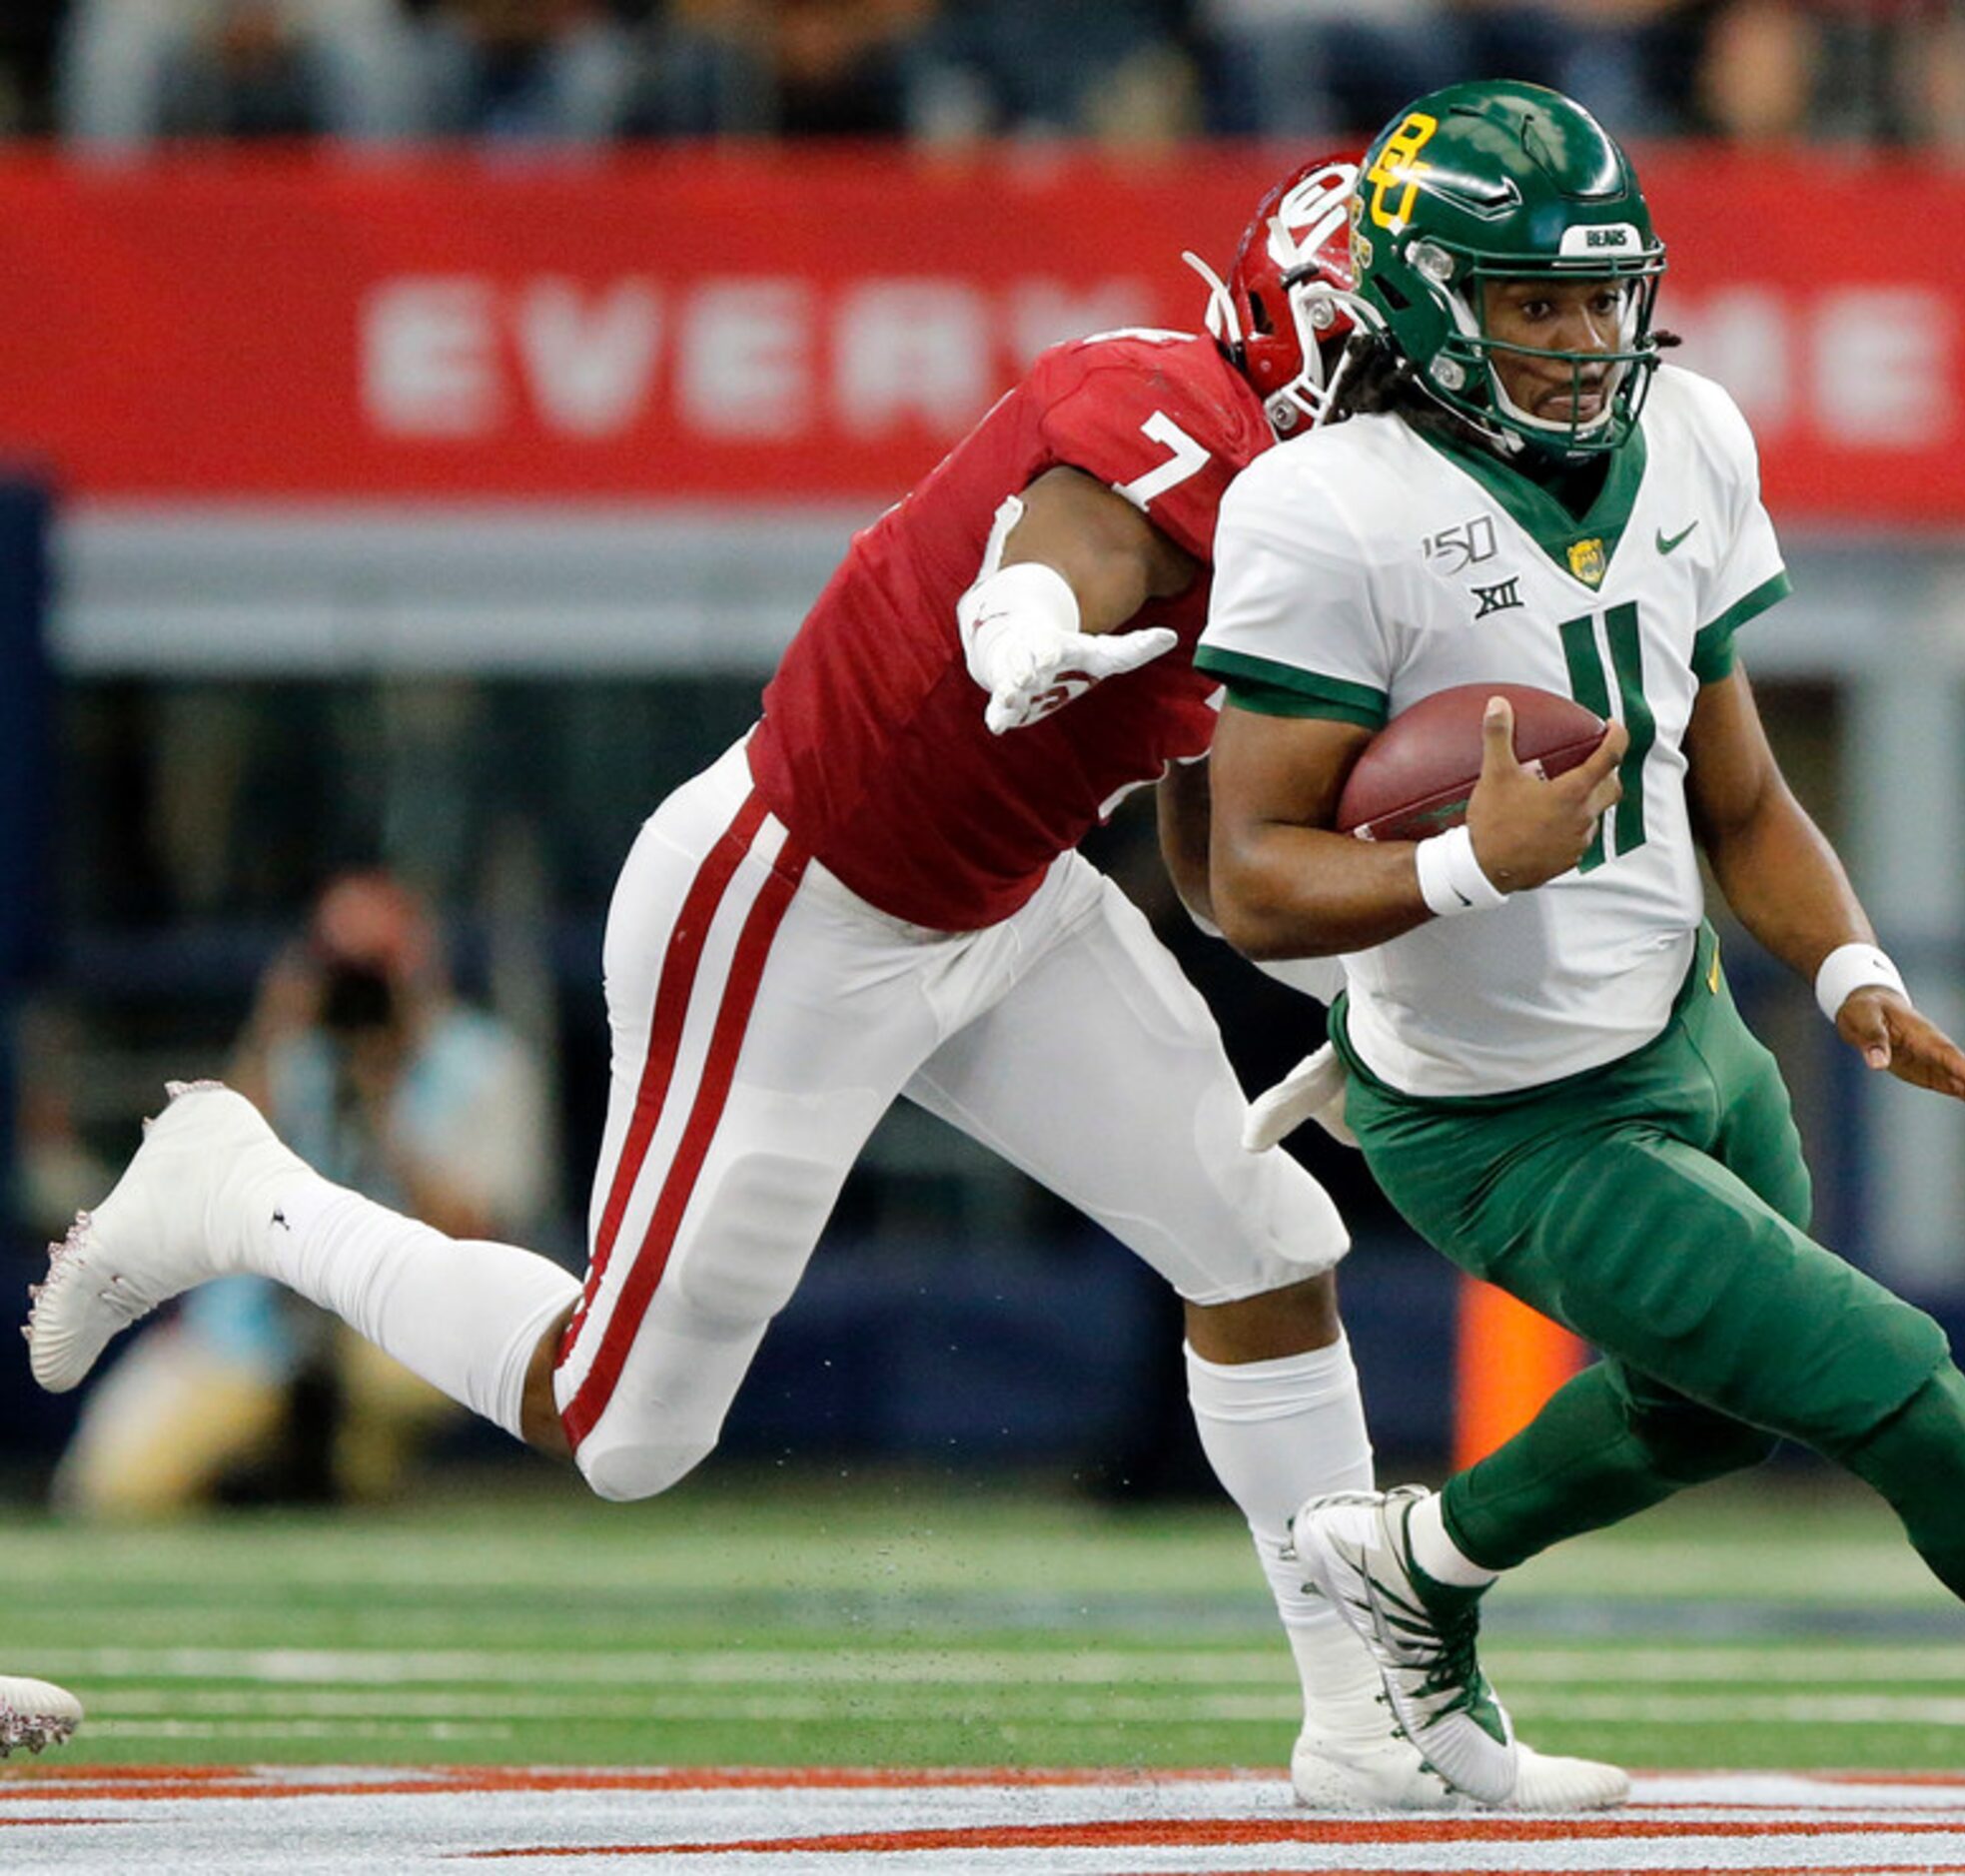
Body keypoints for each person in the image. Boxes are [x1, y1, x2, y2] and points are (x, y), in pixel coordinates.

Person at [26, 155, 1620, 1814]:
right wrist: (1023, 621)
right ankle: (240, 1189)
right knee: (626, 1424)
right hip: (794, 897)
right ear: (1346, 339)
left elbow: (1221, 851)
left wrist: (1376, 988)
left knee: (1268, 1241)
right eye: (1482, 329)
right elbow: (1061, 541)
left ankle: (1359, 1725)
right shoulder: (1171, 408)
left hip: (1006, 908)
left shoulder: (1325, 527)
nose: (1515, 373)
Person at [1198, 81, 1965, 1832]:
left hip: (1684, 1026)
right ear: (1421, 301)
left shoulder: (1691, 433)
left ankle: (1413, 1559)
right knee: (1899, 1390)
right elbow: (1251, 880)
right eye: (1531, 301)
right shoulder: (1328, 507)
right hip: (1499, 1116)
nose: (1580, 339)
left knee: (1710, 1409)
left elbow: (1745, 793)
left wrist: (1854, 979)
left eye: (1601, 294)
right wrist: (1472, 862)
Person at [51, 872, 556, 1518]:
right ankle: (276, 1476)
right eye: (342, 963)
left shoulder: (480, 1063)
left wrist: (384, 1100)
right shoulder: (292, 1053)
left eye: (376, 964)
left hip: (393, 1325)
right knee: (115, 1488)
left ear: (420, 961)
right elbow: (201, 1171)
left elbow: (479, 1238)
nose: (360, 986)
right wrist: (273, 1029)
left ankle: (345, 1472)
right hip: (254, 1331)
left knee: (389, 1393)